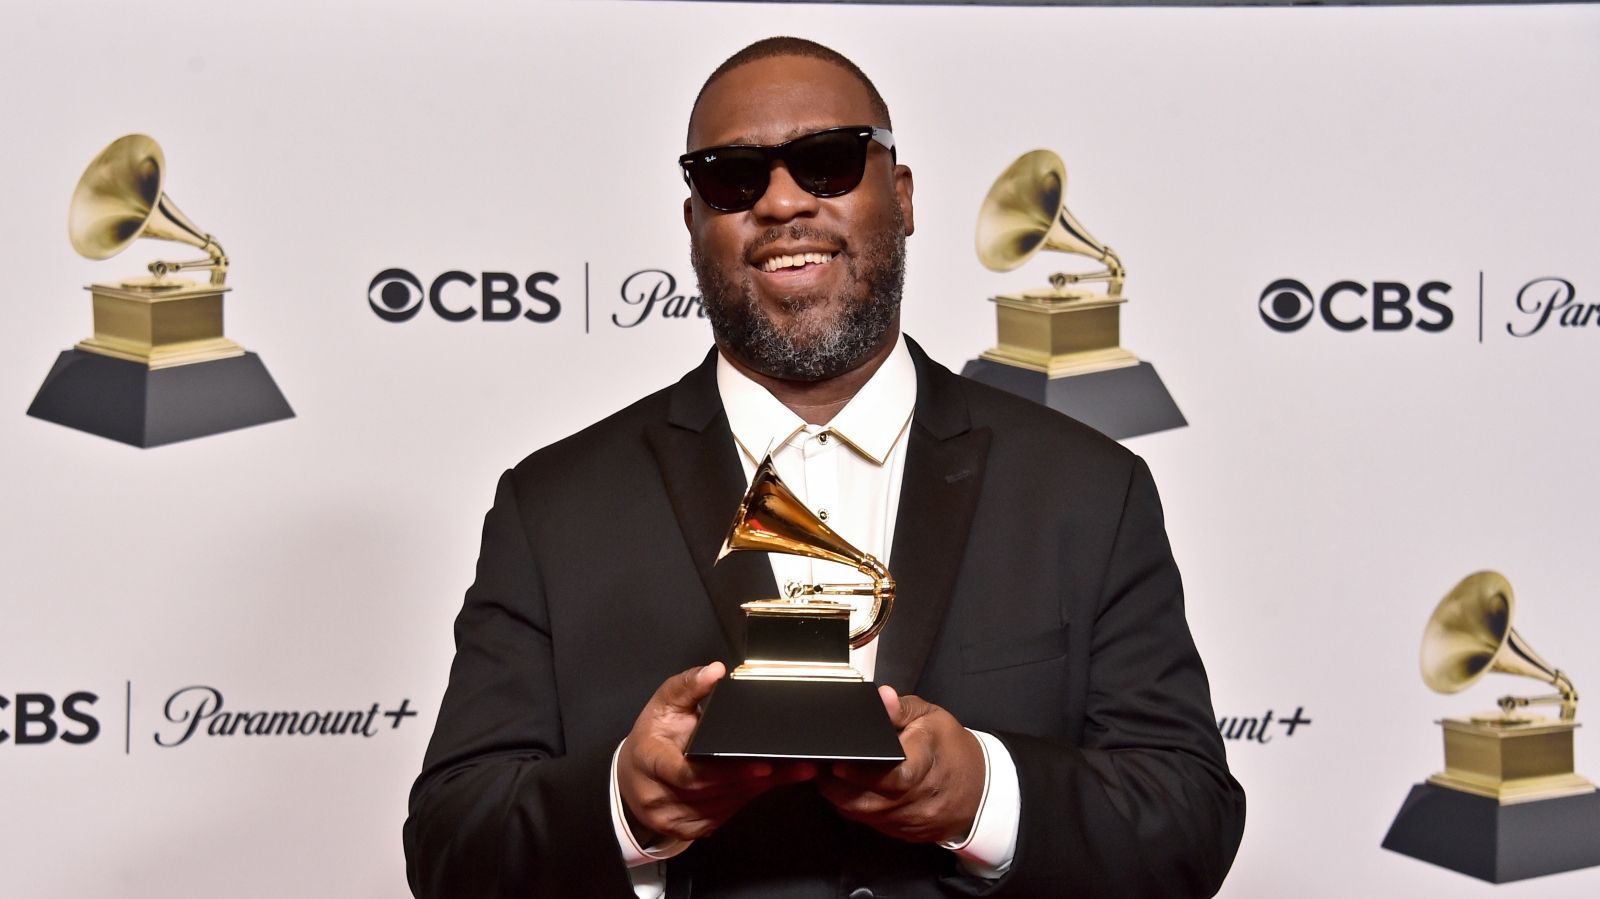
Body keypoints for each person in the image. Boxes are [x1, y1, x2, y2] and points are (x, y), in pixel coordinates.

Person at [405, 36, 1245, 899]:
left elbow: (1189, 820)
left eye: (828, 162)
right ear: (695, 221)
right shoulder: (553, 508)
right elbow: (447, 847)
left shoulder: (1088, 491)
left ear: (904, 195)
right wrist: (627, 803)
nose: (780, 202)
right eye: (733, 177)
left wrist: (982, 794)